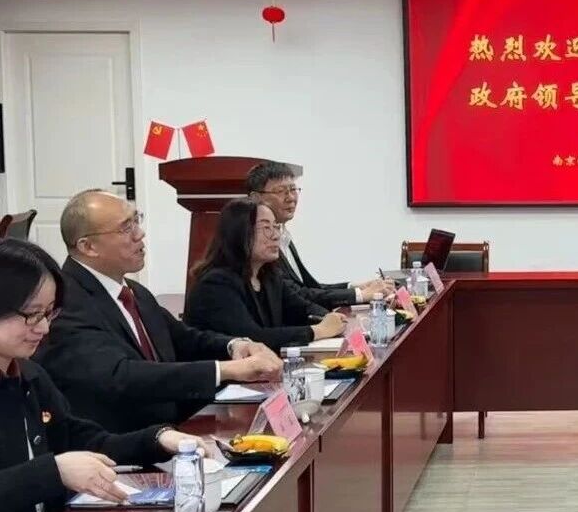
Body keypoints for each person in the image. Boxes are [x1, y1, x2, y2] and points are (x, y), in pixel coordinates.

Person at [0, 239, 208, 512]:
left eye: (49, 313)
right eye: (31, 314)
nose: (43, 328)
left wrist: (158, 438)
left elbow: (81, 439)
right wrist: (52, 471)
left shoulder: (28, 374)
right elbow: (52, 468)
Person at [38, 190, 283, 433]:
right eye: (126, 228)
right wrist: (225, 370)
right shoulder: (65, 302)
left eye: (137, 220)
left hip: (169, 428)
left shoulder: (134, 291)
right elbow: (121, 376)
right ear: (88, 246)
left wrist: (235, 346)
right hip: (119, 443)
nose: (140, 233)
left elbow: (184, 338)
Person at [185, 199, 347, 352]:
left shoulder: (269, 277)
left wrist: (330, 318)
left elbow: (303, 309)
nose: (276, 236)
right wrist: (318, 330)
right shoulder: (216, 284)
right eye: (266, 228)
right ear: (239, 233)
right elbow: (252, 338)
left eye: (276, 227)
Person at [245, 161, 392, 309]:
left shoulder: (283, 235)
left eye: (293, 189)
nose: (290, 198)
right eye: (280, 191)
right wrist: (360, 294)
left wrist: (356, 287)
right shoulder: (257, 244)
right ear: (256, 198)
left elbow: (309, 287)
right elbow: (297, 295)